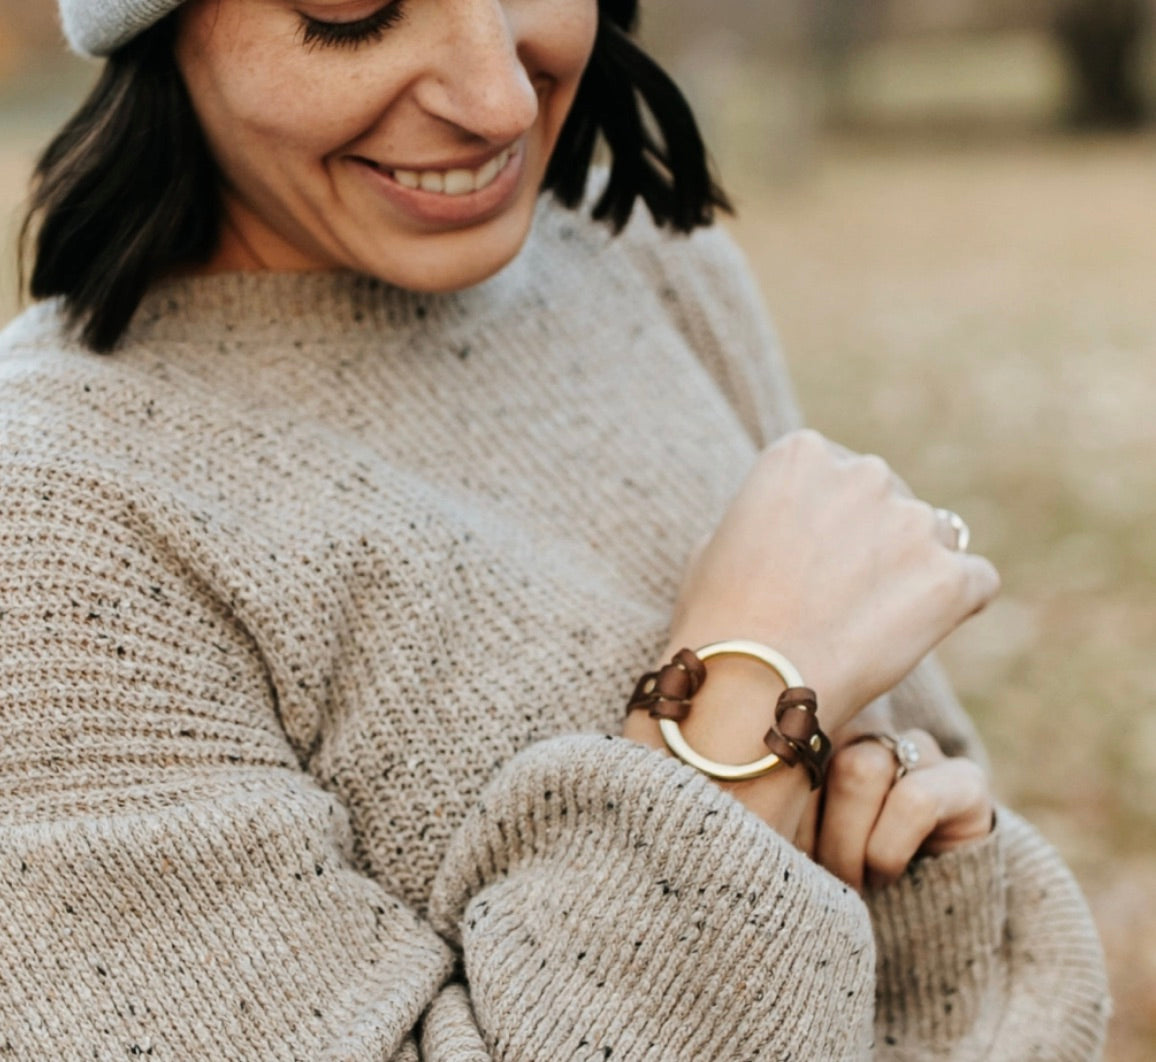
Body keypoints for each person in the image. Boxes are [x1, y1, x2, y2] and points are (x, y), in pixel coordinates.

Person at [0, 0, 1109, 1057]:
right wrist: (736, 715)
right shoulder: (57, 518)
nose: (500, 100)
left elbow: (951, 914)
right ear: (153, 23)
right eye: (353, 9)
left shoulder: (645, 263)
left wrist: (940, 895)